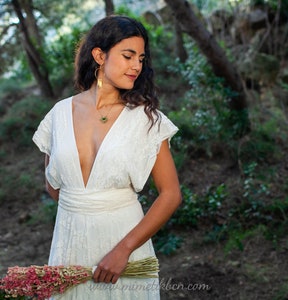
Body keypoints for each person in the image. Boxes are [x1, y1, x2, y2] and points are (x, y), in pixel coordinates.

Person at [33, 15, 181, 299]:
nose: (137, 65)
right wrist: (83, 213)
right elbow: (52, 184)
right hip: (69, 245)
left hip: (125, 246)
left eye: (141, 58)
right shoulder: (58, 115)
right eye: (128, 56)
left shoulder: (146, 119)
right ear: (99, 55)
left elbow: (171, 194)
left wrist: (124, 249)